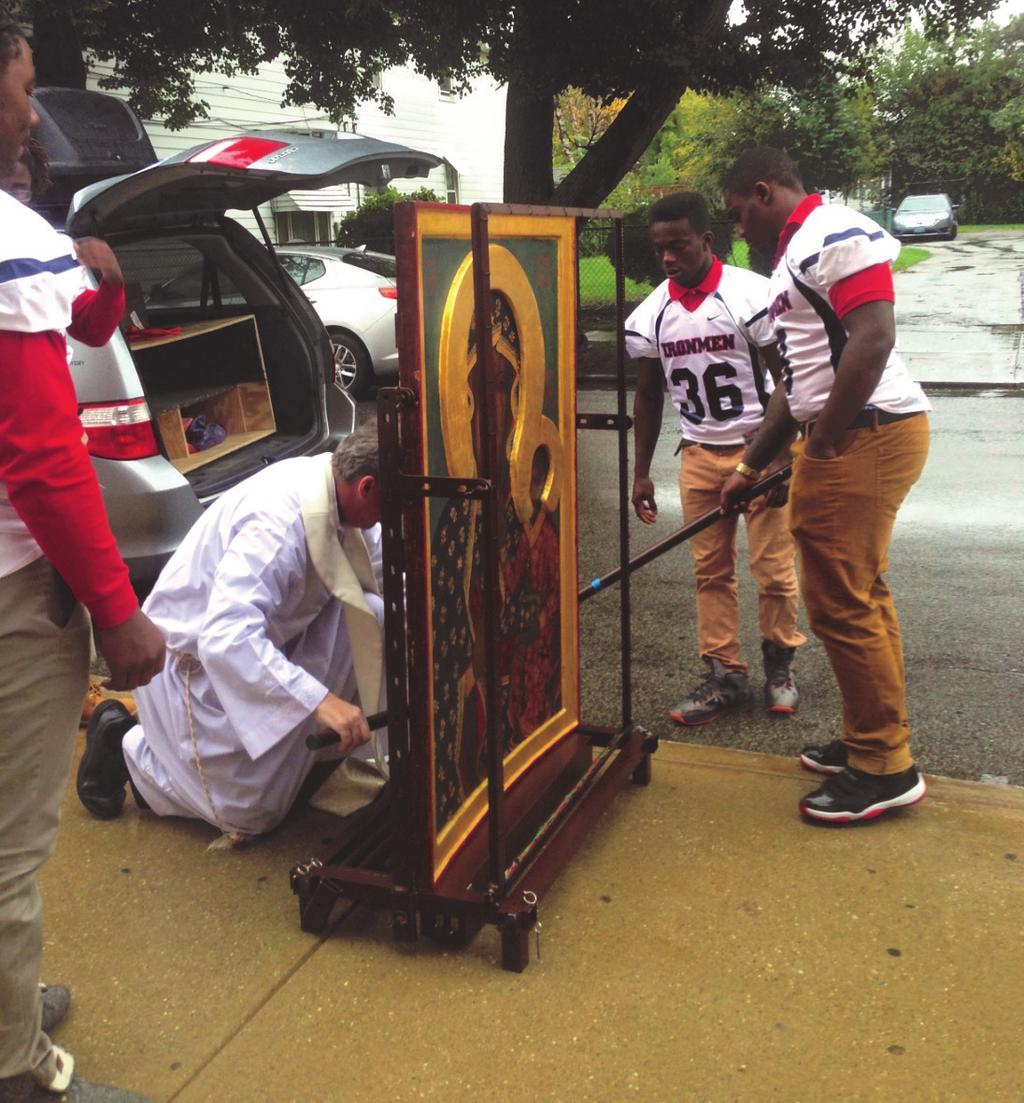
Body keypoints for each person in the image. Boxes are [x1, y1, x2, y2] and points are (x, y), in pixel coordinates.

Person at [0, 14, 165, 1103]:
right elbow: (40, 453)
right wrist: (117, 606)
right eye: (20, 84)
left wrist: (96, 277)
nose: (31, 105)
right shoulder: (11, 238)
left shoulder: (33, 241)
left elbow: (84, 330)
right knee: (11, 842)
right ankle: (15, 1063)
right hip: (13, 582)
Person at [720, 146, 931, 824]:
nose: (738, 232)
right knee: (859, 592)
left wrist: (829, 440)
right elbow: (796, 382)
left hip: (866, 430)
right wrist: (754, 464)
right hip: (850, 430)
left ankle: (884, 765)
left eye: (736, 216)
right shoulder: (793, 256)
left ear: (762, 191)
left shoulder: (831, 232)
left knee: (842, 600)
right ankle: (873, 735)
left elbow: (872, 340)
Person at [76, 418, 389, 841]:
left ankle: (297, 765)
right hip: (192, 669)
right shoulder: (276, 526)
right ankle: (133, 753)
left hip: (273, 641)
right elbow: (225, 638)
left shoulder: (336, 491)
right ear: (367, 487)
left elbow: (384, 574)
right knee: (249, 815)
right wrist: (319, 700)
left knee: (377, 612)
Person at [626, 191, 805, 725]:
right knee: (710, 572)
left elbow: (787, 380)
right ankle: (726, 674)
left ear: (706, 240)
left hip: (759, 448)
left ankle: (780, 665)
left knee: (772, 569)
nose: (668, 258)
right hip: (699, 454)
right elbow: (649, 395)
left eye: (678, 246)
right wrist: (640, 472)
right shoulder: (652, 313)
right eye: (660, 249)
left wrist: (775, 457)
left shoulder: (748, 296)